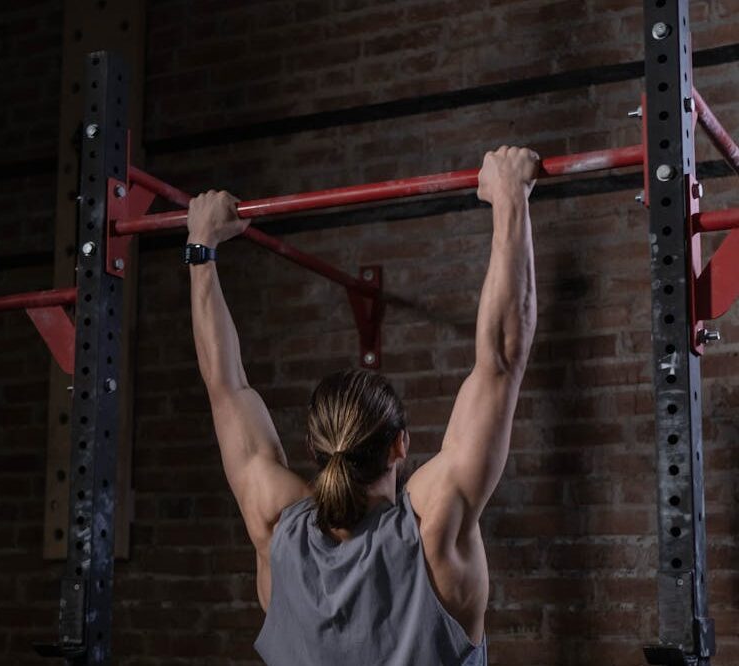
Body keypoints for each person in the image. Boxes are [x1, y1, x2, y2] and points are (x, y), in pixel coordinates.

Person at [185, 146, 539, 665]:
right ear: (400, 443)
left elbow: (224, 386)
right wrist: (510, 200)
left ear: (313, 445)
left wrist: (201, 248)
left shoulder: (277, 528)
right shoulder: (433, 528)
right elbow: (502, 362)